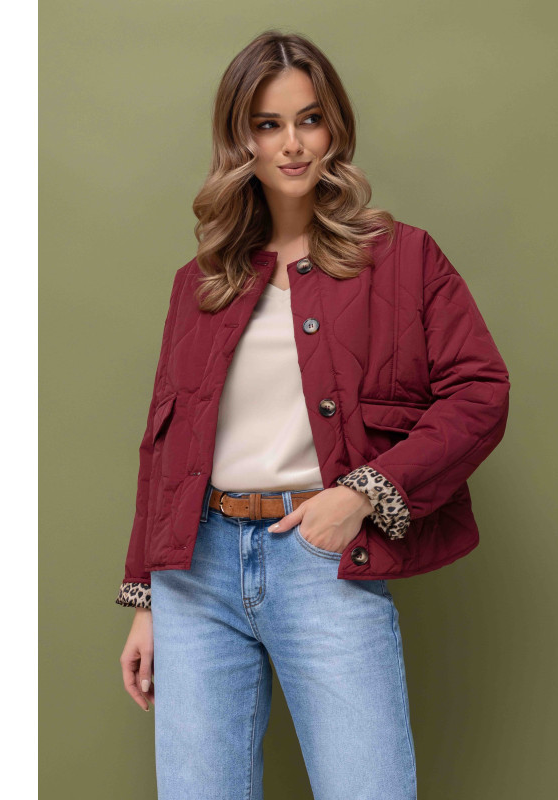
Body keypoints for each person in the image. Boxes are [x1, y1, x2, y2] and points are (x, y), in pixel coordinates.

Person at [115, 30, 510, 800]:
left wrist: (361, 494)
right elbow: (163, 446)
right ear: (240, 141)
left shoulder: (404, 259)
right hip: (195, 573)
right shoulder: (201, 282)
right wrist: (146, 599)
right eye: (268, 125)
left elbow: (479, 391)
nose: (292, 144)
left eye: (309, 119)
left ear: (335, 129)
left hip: (323, 559)